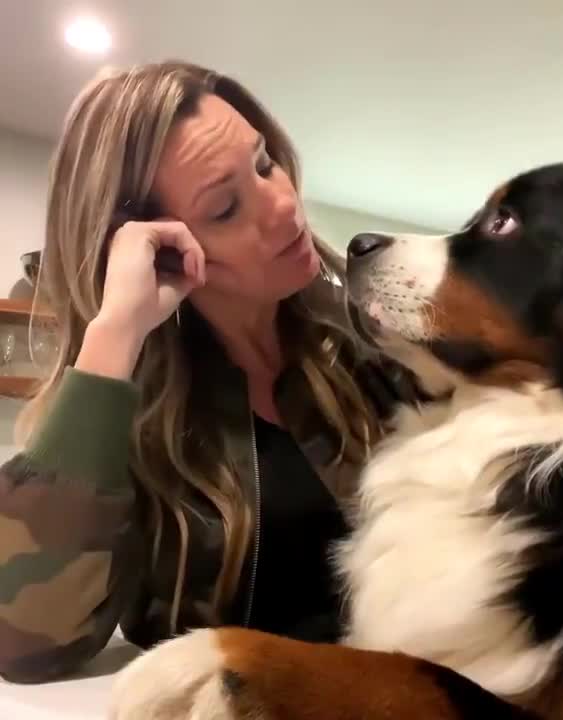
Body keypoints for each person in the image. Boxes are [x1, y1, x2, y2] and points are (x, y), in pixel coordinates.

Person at [0, 61, 415, 684]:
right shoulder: (128, 423)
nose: (284, 205)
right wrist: (113, 333)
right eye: (225, 208)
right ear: (158, 247)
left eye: (264, 163)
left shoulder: (367, 347)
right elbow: (27, 646)